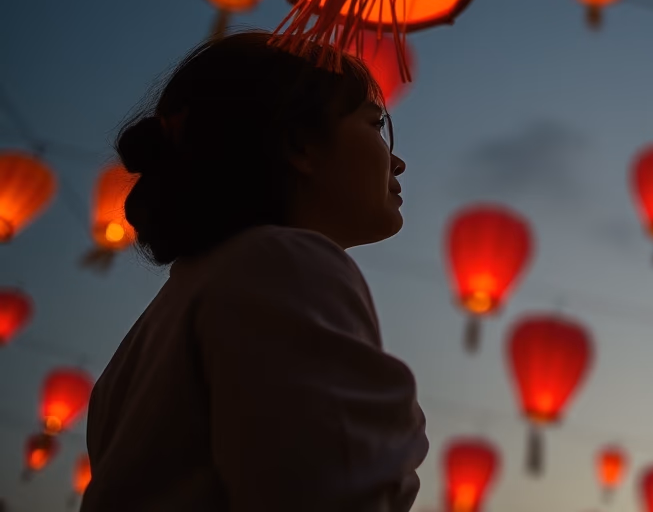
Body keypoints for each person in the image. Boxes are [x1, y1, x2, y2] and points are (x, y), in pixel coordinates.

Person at [81, 31, 427, 511]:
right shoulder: (285, 264)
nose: (399, 161)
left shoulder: (154, 328)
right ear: (299, 144)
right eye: (375, 126)